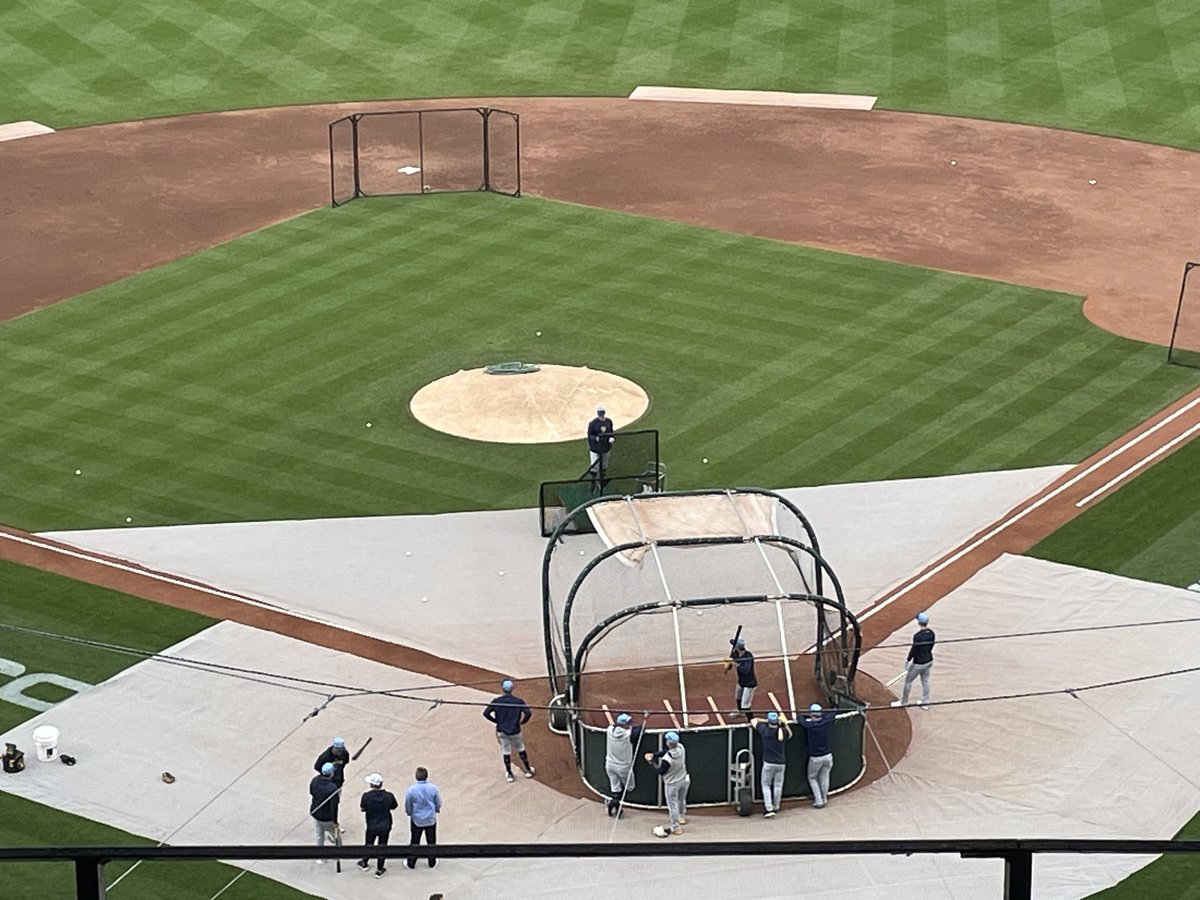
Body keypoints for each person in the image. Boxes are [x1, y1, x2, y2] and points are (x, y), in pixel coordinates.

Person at [483, 679, 535, 782]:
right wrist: (522, 722)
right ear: (512, 689)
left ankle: (510, 774)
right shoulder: (518, 701)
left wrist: (496, 721)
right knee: (520, 748)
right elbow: (528, 713)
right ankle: (528, 770)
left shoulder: (497, 701)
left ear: (503, 688)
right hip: (515, 730)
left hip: (502, 730)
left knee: (506, 750)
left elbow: (486, 713)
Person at [644, 731, 690, 835]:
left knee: (672, 805)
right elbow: (665, 752)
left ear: (668, 743)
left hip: (672, 784)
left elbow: (660, 771)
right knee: (681, 799)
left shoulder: (667, 760)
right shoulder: (681, 748)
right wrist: (654, 754)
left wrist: (651, 762)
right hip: (684, 779)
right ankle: (681, 817)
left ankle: (676, 827)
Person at [750, 711, 792, 817]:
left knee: (766, 786)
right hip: (781, 763)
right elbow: (790, 734)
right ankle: (776, 806)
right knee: (778, 785)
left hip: (768, 763)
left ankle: (769, 808)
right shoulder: (782, 730)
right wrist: (784, 723)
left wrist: (765, 720)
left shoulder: (764, 730)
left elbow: (753, 720)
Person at [356, 772, 398, 879]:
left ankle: (364, 862)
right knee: (382, 846)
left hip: (371, 825)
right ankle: (379, 869)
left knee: (369, 844)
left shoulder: (366, 796)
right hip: (385, 825)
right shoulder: (389, 796)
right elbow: (394, 806)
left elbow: (363, 808)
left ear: (372, 785)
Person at [892, 611, 936, 709]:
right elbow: (931, 646)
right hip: (929, 660)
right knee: (925, 681)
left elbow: (914, 649)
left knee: (908, 681)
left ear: (919, 623)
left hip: (918, 663)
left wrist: (908, 660)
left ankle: (904, 702)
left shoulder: (918, 636)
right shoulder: (932, 633)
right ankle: (925, 703)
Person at [796, 703, 836, 808]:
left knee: (812, 778)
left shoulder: (810, 725)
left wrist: (805, 716)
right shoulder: (826, 721)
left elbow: (799, 718)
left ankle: (819, 801)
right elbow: (833, 712)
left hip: (816, 758)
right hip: (828, 756)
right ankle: (824, 798)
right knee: (825, 777)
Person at [404, 766, 443, 870]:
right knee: (431, 841)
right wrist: (437, 809)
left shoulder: (411, 790)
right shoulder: (433, 788)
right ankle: (432, 861)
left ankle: (411, 862)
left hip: (417, 818)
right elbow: (438, 801)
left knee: (415, 840)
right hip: (430, 818)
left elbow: (408, 803)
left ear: (416, 777)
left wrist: (409, 812)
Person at [604, 712, 642, 816]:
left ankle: (615, 805)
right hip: (623, 767)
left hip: (609, 764)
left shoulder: (609, 730)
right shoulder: (627, 735)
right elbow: (640, 729)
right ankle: (615, 803)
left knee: (615, 788)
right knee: (630, 787)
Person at [308, 762, 340, 859]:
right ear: (331, 773)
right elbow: (334, 806)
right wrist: (335, 821)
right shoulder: (332, 788)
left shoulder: (315, 780)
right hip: (327, 817)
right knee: (336, 835)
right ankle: (339, 853)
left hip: (315, 813)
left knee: (319, 834)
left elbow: (311, 792)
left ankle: (320, 857)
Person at [723, 636, 757, 715]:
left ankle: (750, 719)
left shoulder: (748, 656)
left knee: (745, 705)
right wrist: (727, 664)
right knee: (738, 697)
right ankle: (739, 711)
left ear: (737, 647)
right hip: (741, 681)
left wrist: (735, 663)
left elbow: (746, 670)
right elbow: (730, 666)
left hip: (749, 683)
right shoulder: (735, 654)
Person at [587, 406, 615, 484]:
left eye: (602, 413)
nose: (601, 415)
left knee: (604, 465)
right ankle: (593, 482)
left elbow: (611, 432)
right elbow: (590, 435)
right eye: (600, 413)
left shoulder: (608, 422)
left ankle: (602, 480)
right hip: (595, 448)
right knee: (594, 467)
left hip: (605, 447)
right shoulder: (593, 423)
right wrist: (596, 438)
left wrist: (611, 438)